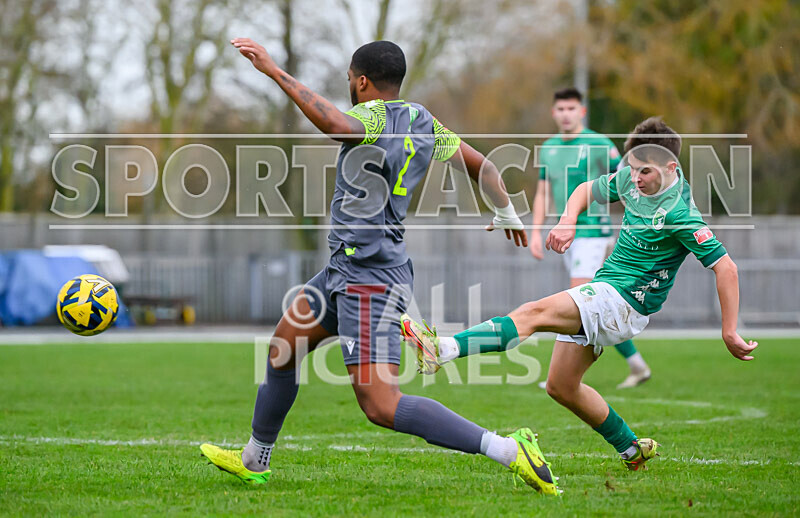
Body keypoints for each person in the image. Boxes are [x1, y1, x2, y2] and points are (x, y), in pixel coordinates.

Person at [200, 38, 560, 495]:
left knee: (380, 405)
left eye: (350, 80)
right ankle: (255, 457)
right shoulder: (423, 120)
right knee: (283, 350)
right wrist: (507, 211)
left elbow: (334, 123)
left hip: (368, 278)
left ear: (363, 81)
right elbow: (483, 165)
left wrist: (274, 71)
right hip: (345, 269)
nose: (349, 87)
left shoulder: (372, 115)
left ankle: (508, 449)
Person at [403, 117, 758, 472]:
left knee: (534, 313)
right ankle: (630, 448)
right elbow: (587, 190)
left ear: (671, 167)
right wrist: (569, 218)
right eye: (632, 169)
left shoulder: (681, 215)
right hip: (608, 290)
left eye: (644, 172)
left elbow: (725, 267)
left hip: (624, 303)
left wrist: (728, 331)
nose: (635, 179)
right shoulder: (632, 179)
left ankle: (443, 349)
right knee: (561, 385)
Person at [531, 87, 650, 389]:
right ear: (553, 113)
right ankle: (637, 365)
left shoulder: (600, 143)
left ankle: (561, 376)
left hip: (594, 234)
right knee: (590, 304)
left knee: (577, 300)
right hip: (567, 236)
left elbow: (630, 181)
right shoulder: (549, 148)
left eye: (572, 109)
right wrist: (535, 232)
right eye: (560, 109)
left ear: (581, 111)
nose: (566, 114)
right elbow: (543, 192)